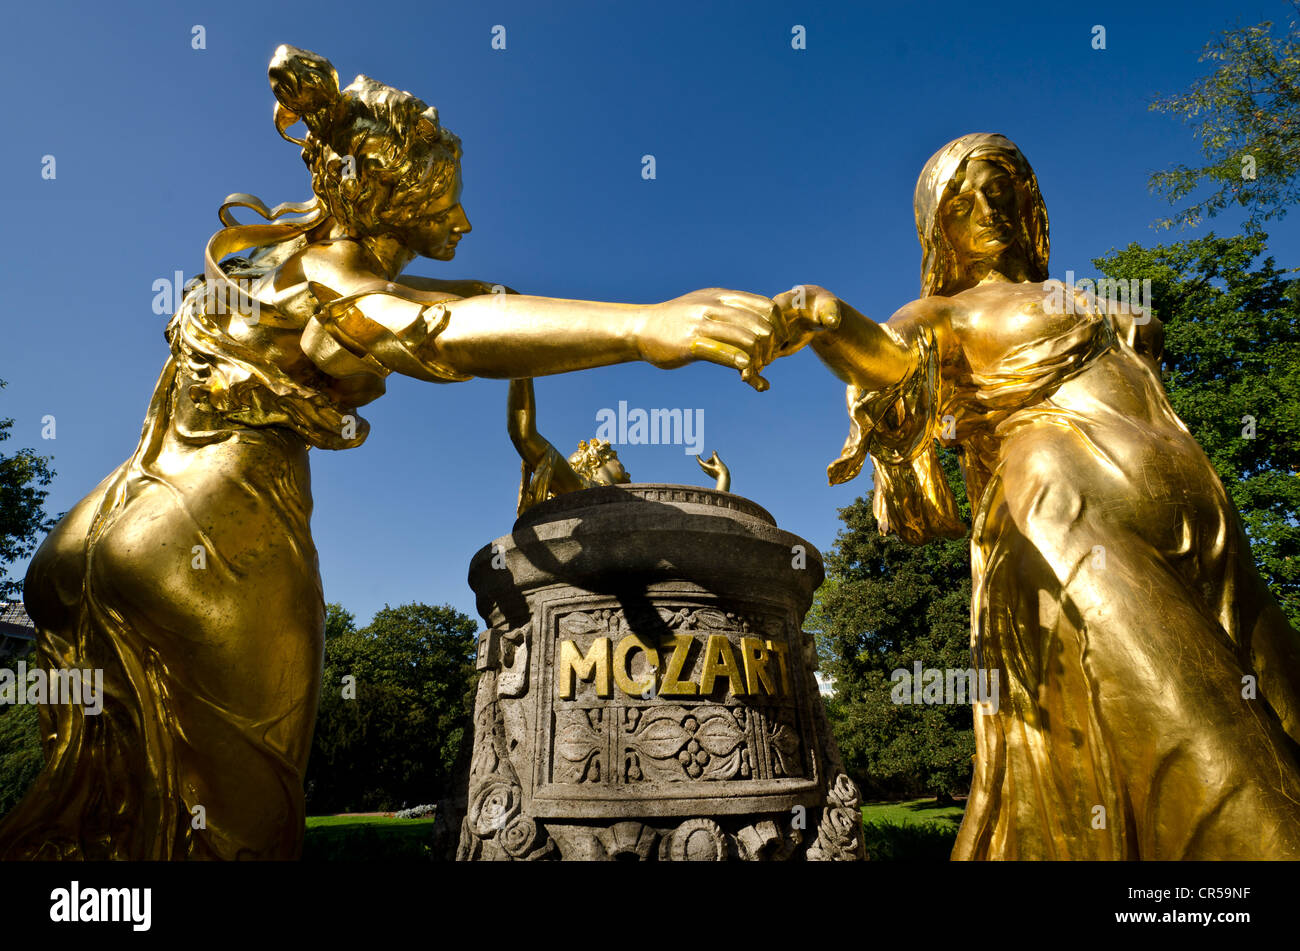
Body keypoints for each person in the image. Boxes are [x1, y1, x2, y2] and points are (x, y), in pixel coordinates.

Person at [0, 45, 780, 860]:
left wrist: (517, 338)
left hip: (93, 535)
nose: (464, 223)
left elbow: (464, 306)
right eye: (445, 205)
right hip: (208, 549)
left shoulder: (266, 263)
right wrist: (644, 327)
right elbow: (432, 335)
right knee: (243, 834)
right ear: (391, 199)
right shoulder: (338, 281)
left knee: (96, 830)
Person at [772, 133, 1300, 859]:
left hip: (1200, 516)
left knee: (1282, 705)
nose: (986, 209)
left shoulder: (1075, 295)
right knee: (1216, 755)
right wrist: (834, 323)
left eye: (998, 190)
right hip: (1067, 516)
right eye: (960, 203)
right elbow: (892, 361)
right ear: (938, 229)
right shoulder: (943, 312)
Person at [507, 378, 730, 514]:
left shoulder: (626, 502)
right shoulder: (584, 489)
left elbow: (688, 524)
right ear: (597, 459)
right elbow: (524, 435)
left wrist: (723, 480)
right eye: (616, 458)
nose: (625, 467)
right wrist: (521, 368)